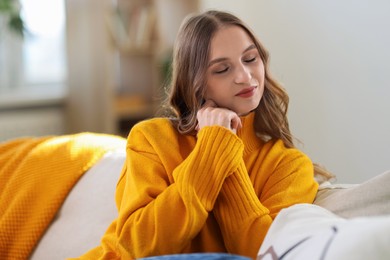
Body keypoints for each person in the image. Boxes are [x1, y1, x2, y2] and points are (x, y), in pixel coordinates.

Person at [75, 10, 330, 260]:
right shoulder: (152, 138)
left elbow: (261, 253)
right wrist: (212, 150)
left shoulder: (289, 166)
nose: (245, 76)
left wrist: (220, 147)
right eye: (222, 69)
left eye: (250, 59)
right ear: (195, 82)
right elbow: (138, 246)